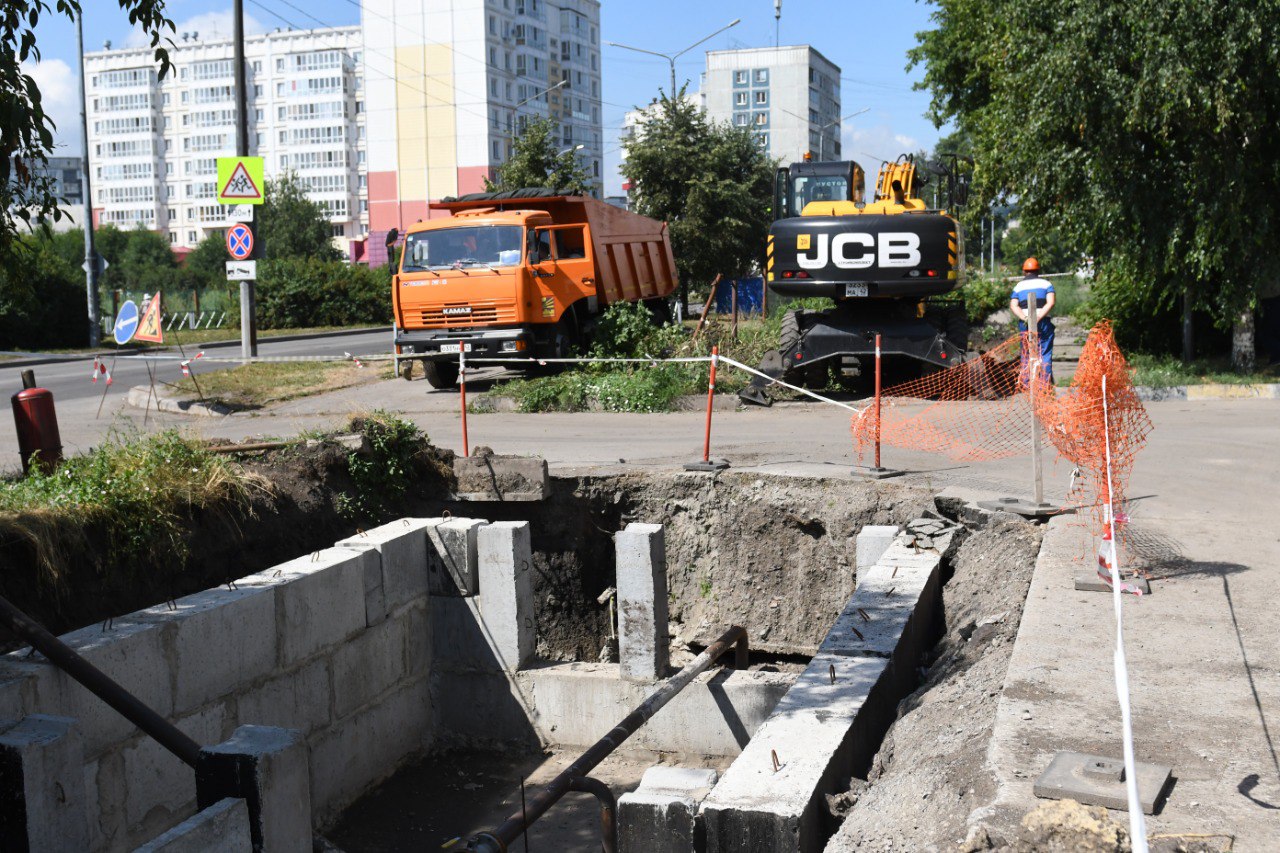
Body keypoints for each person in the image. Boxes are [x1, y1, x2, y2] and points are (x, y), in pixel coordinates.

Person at [1010, 257, 1055, 384]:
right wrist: (1038, 317)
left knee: (1026, 351)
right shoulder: (1047, 284)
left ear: (1024, 271)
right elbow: (1051, 302)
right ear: (1038, 271)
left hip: (1025, 324)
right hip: (1043, 322)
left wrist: (1026, 319)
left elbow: (1013, 305)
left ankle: (1026, 383)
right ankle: (1044, 383)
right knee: (1044, 352)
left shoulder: (1018, 287)